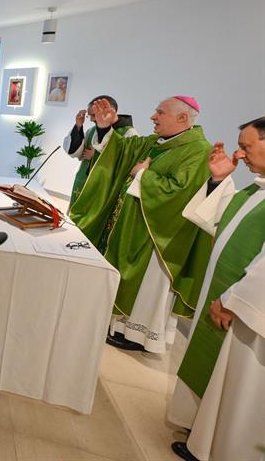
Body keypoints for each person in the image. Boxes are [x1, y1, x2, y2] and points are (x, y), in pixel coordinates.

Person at [70, 96, 213, 354]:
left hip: (158, 234)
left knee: (147, 286)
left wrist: (143, 176)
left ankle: (140, 335)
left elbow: (181, 191)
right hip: (132, 225)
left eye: (160, 112)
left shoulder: (198, 150)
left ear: (182, 118)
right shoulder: (155, 142)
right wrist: (104, 128)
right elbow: (124, 149)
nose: (152, 117)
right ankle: (120, 326)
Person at [167, 117, 265, 461]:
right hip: (229, 300)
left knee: (241, 386)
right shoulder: (257, 191)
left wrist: (233, 300)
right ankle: (206, 438)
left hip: (247, 312)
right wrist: (220, 180)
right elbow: (214, 220)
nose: (240, 152)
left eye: (247, 146)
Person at [63, 96, 137, 205]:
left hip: (105, 185)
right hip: (84, 178)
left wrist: (96, 156)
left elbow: (127, 163)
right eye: (90, 115)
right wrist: (78, 126)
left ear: (111, 111)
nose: (92, 119)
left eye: (94, 115)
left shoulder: (129, 134)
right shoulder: (92, 130)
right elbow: (76, 152)